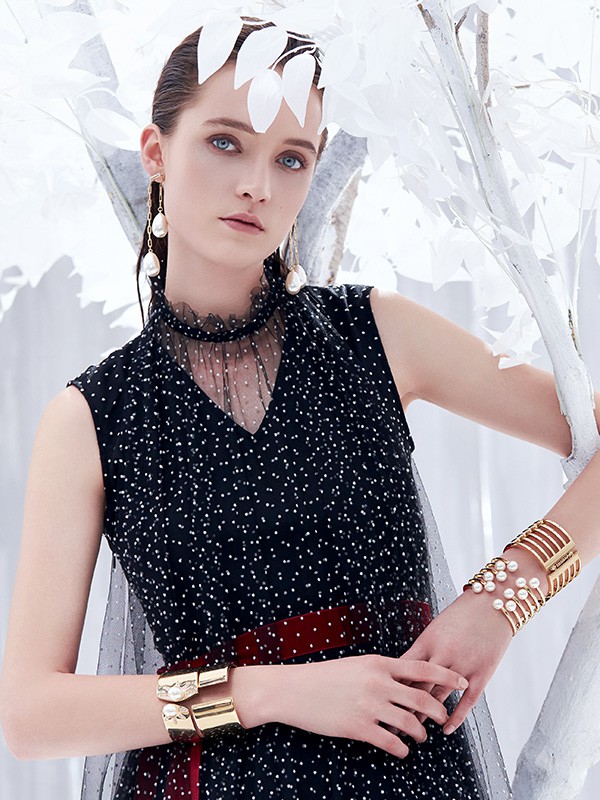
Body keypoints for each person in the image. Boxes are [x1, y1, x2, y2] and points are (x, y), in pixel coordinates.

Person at [1, 15, 599, 800]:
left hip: (406, 778)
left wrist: (503, 597)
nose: (258, 183)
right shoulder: (93, 416)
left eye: (291, 158)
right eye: (225, 142)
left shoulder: (375, 334)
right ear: (156, 152)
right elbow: (31, 715)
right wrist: (272, 692)